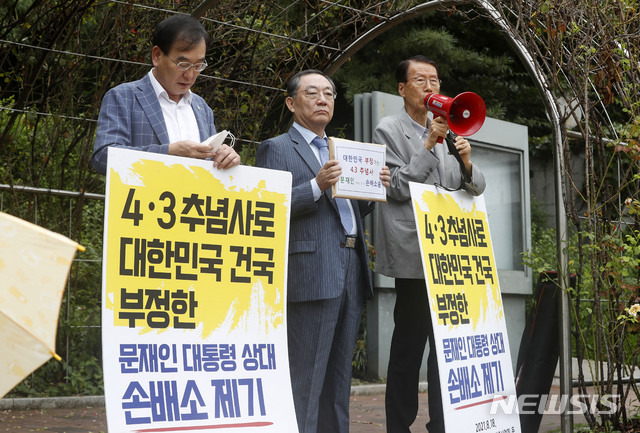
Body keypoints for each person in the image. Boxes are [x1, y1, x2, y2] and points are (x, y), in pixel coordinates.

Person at [255, 69, 390, 433]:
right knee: (306, 378)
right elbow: (268, 207)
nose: (322, 99)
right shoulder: (276, 148)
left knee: (338, 379)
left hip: (350, 264)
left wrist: (372, 191)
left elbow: (346, 211)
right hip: (310, 270)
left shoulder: (342, 149)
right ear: (291, 102)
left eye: (329, 94)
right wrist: (315, 185)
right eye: (312, 92)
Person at [373, 55, 486, 433]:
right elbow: (397, 188)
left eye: (434, 80)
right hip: (416, 254)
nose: (430, 87)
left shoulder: (453, 127)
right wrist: (429, 142)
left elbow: (475, 186)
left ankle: (444, 423)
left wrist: (467, 162)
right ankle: (398, 426)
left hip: (451, 257)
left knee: (447, 348)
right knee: (409, 345)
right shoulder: (388, 129)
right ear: (402, 89)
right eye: (420, 80)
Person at [91, 14, 240, 174]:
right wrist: (167, 153)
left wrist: (225, 159)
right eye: (183, 64)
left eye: (198, 65)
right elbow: (103, 157)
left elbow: (210, 165)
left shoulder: (201, 107)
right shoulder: (124, 97)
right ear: (157, 55)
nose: (190, 75)